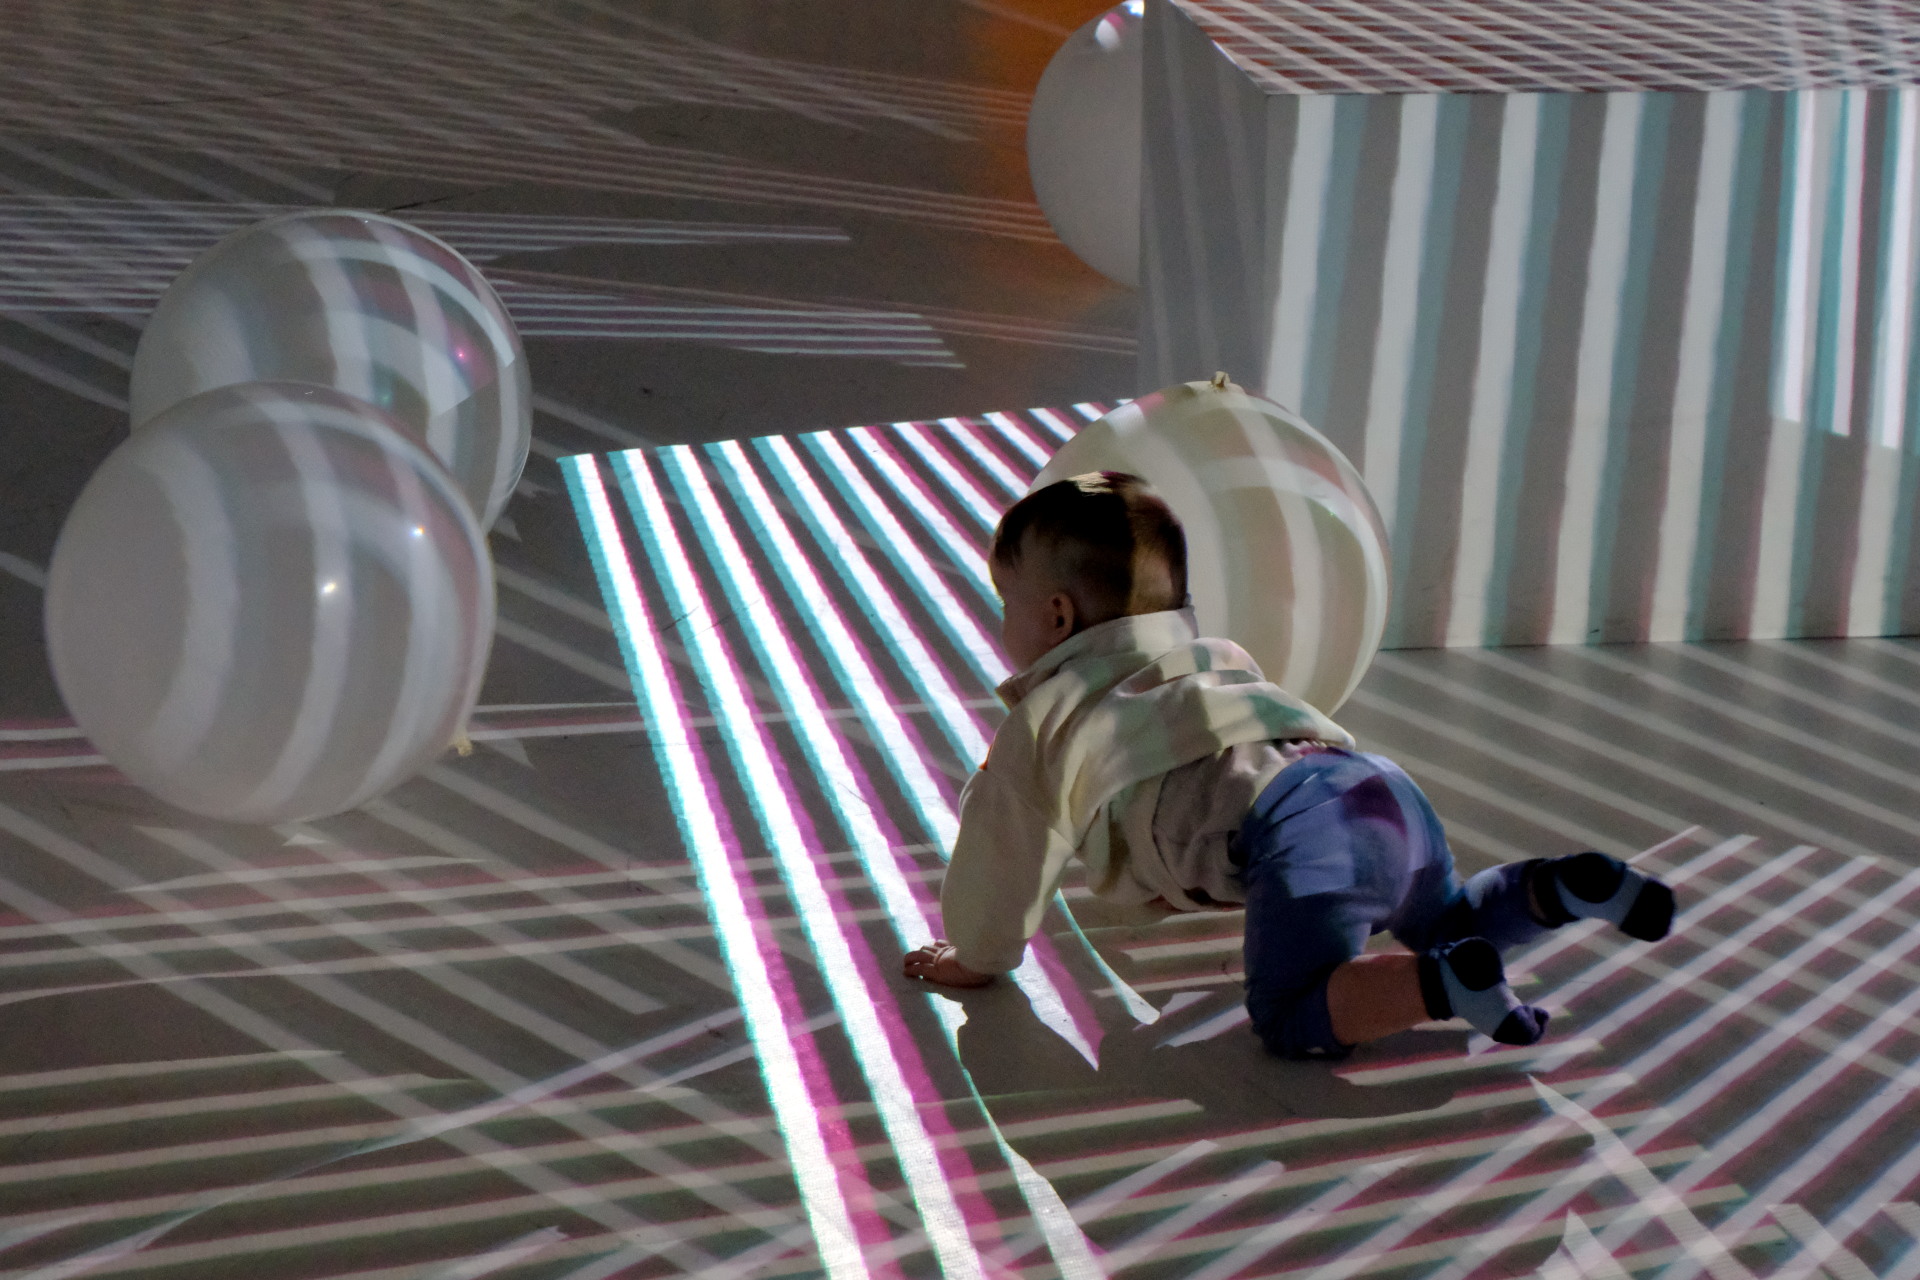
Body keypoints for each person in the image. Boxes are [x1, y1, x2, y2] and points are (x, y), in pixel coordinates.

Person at [902, 471, 1674, 1059]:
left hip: (1298, 831)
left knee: (1290, 1011)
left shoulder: (1048, 719)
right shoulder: (1215, 659)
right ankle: (1564, 886)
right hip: (1375, 786)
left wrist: (977, 955)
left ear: (1056, 615)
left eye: (1005, 601)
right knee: (1447, 919)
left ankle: (1441, 984)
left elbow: (1002, 856)